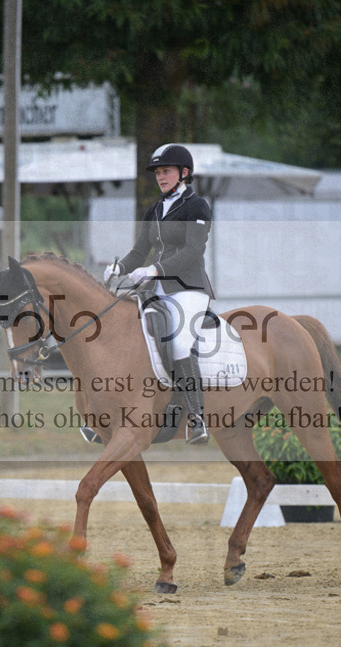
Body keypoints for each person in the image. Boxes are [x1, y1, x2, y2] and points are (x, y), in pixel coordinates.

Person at [103, 143, 214, 445]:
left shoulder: (197, 206)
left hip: (189, 289)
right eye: (158, 172)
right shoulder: (154, 209)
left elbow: (193, 252)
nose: (161, 177)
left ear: (184, 173)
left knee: (178, 344)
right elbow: (140, 251)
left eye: (166, 171)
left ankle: (197, 417)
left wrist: (154, 270)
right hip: (155, 291)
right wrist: (119, 267)